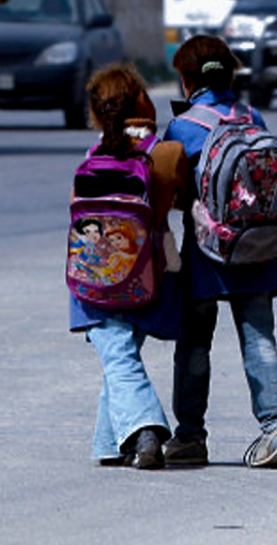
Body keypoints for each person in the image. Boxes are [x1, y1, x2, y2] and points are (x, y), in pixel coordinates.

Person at [162, 35, 277, 469]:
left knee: (194, 343)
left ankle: (190, 436)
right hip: (258, 245)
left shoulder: (183, 127)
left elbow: (173, 192)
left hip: (208, 252)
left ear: (186, 80)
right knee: (259, 336)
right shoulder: (252, 116)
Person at [68, 63, 189, 469]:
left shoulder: (90, 157)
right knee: (121, 356)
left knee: (118, 357)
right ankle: (110, 444)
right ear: (142, 102)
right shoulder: (165, 153)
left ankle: (146, 429)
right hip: (149, 274)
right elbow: (182, 202)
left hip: (94, 277)